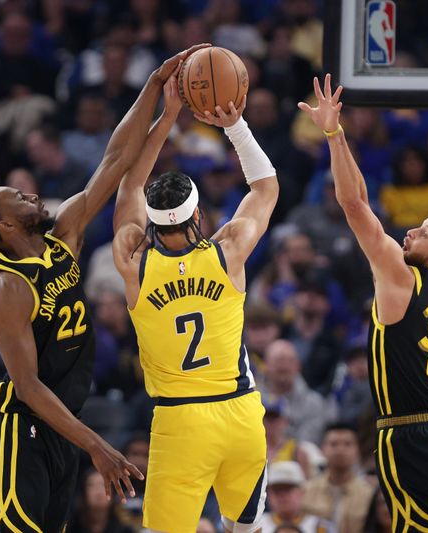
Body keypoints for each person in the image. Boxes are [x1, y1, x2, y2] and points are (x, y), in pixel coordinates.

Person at [0, 44, 207, 532]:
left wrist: (158, 89)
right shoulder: (7, 286)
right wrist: (98, 445)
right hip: (19, 431)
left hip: (60, 429)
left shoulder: (63, 237)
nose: (32, 194)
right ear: (6, 228)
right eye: (19, 199)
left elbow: (115, 159)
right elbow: (27, 386)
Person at [298, 74, 428, 531]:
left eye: (425, 232)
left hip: (411, 436)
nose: (412, 231)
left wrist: (334, 134)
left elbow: (354, 203)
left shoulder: (402, 275)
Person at [112, 71, 278, 532]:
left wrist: (168, 116)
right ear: (197, 215)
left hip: (180, 423)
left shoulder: (133, 259)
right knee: (244, 528)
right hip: (240, 413)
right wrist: (235, 124)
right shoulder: (230, 250)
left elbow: (128, 186)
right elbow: (265, 188)